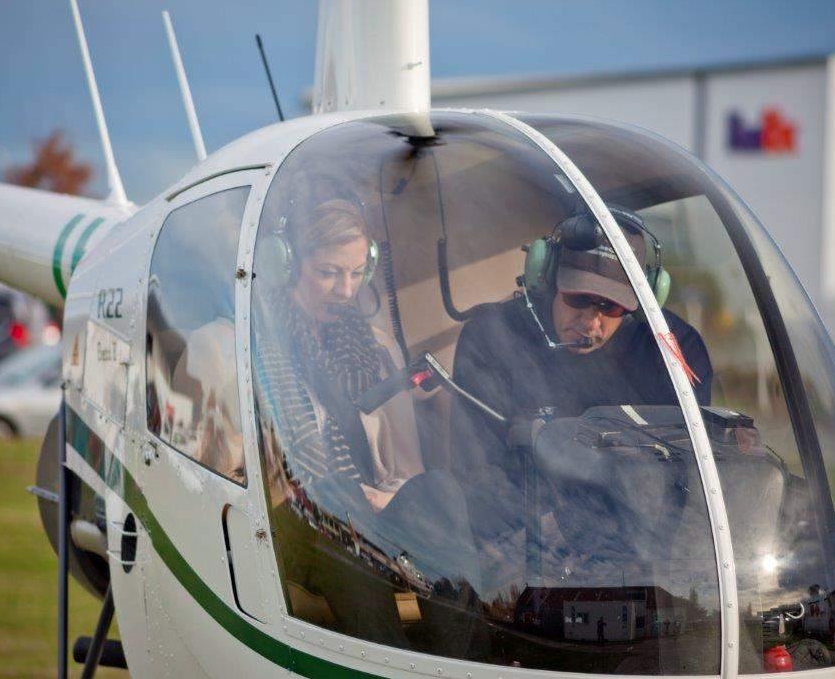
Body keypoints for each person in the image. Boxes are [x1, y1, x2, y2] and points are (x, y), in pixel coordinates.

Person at [252, 197, 482, 653]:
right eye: (328, 272)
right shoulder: (252, 347)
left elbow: (406, 469)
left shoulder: (375, 350)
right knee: (338, 495)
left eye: (357, 273)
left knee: (440, 490)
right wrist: (343, 495)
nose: (346, 290)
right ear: (286, 265)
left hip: (372, 518)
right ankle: (385, 660)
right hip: (295, 523)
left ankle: (464, 661)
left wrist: (387, 497)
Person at [450, 206, 713, 485]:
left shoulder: (675, 353)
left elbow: (690, 477)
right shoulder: (494, 338)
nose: (590, 322)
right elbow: (474, 474)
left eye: (611, 306)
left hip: (636, 506)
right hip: (518, 505)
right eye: (577, 298)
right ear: (547, 276)